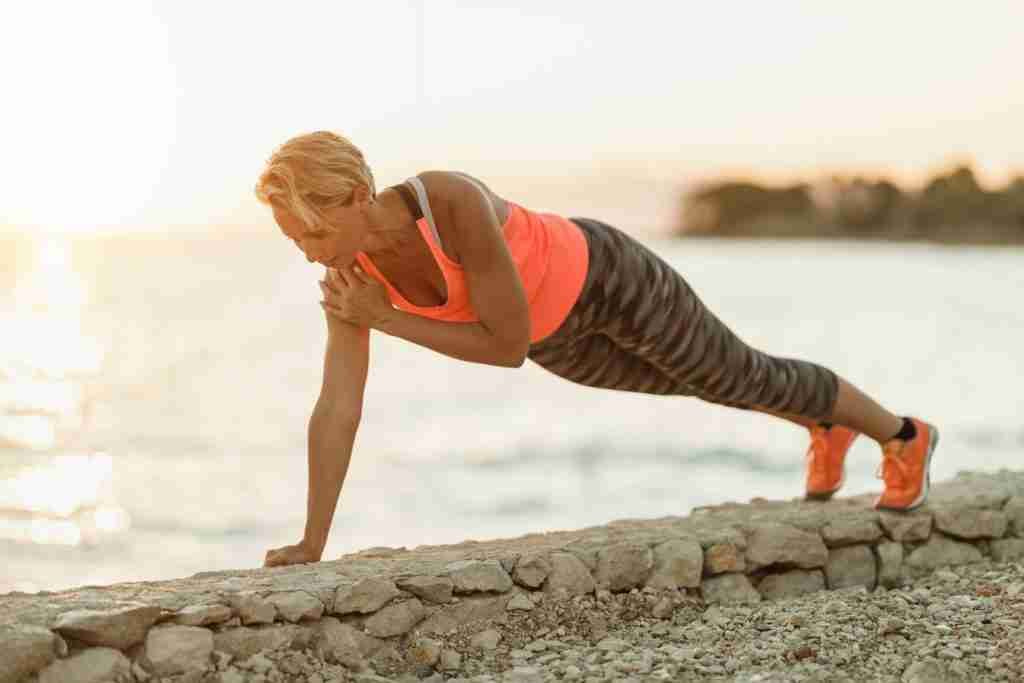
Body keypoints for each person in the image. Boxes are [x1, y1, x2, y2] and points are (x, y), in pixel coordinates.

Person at [255, 131, 939, 569]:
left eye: (312, 233)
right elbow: (337, 406)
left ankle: (902, 434)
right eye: (296, 240)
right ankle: (823, 422)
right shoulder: (350, 281)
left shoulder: (448, 202)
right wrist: (313, 542)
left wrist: (390, 320)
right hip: (564, 343)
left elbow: (504, 346)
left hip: (609, 280)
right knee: (713, 384)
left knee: (740, 372)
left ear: (355, 196)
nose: (307, 252)